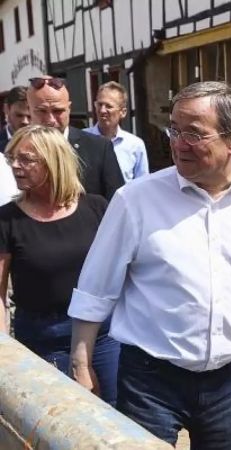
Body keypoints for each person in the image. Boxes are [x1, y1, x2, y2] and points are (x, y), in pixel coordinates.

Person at [68, 81, 231, 449]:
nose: (178, 143)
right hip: (149, 379)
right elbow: (96, 287)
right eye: (174, 129)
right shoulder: (134, 201)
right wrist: (81, 362)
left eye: (194, 133)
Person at [0, 125, 119, 405]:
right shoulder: (6, 220)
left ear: (54, 161)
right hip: (45, 341)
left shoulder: (96, 208)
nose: (16, 166)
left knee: (117, 422)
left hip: (104, 337)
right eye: (12, 158)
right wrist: (5, 355)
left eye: (26, 159)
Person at [27, 76, 125, 200]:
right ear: (29, 110)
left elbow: (118, 204)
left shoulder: (99, 149)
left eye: (58, 111)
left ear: (69, 108)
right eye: (41, 111)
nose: (50, 120)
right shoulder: (12, 154)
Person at [84, 81, 149, 182]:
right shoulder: (82, 139)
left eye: (108, 106)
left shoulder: (135, 145)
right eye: (99, 104)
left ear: (122, 112)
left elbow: (143, 184)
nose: (102, 110)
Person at [0, 86, 31, 152]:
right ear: (6, 109)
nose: (25, 121)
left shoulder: (43, 142)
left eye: (29, 116)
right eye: (19, 115)